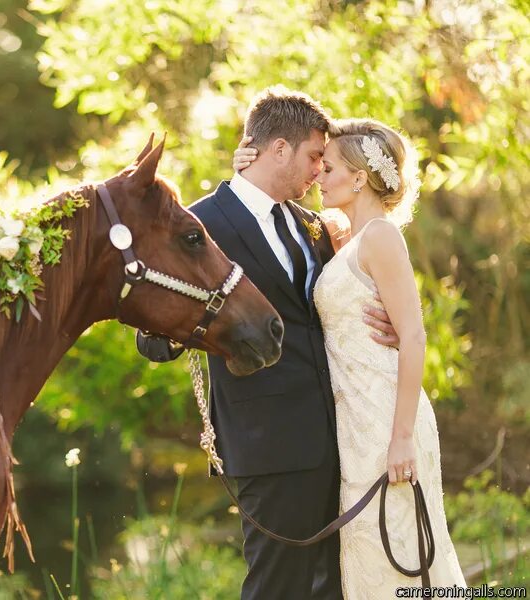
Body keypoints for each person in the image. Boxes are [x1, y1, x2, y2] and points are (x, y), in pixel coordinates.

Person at [136, 86, 399, 599]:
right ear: (279, 149)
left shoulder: (312, 226)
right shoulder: (200, 224)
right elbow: (150, 338)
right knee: (277, 586)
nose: (319, 171)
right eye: (314, 157)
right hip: (266, 442)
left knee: (334, 585)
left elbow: (329, 312)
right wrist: (180, 331)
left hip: (340, 434)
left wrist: (384, 322)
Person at [235, 118, 466, 596]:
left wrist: (401, 438)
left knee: (397, 556)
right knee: (363, 563)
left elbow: (415, 337)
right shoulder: (341, 238)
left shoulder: (381, 236)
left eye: (330, 166)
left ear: (360, 177)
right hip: (351, 426)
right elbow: (266, 210)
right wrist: (246, 168)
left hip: (386, 422)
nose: (318, 174)